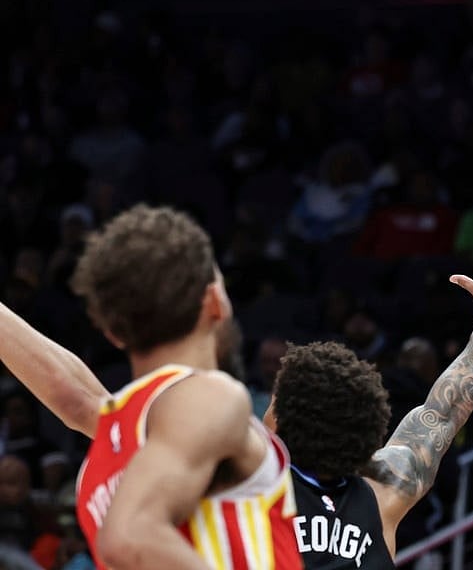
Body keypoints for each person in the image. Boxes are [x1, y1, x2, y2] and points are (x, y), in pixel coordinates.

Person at [1, 211, 473, 569]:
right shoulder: (384, 487)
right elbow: (444, 409)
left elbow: (74, 395)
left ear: (275, 422)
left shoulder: (198, 447)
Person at [0, 204, 303, 569]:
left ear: (112, 331)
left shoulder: (120, 435)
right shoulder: (209, 397)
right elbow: (129, 536)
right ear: (215, 302)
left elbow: (72, 395)